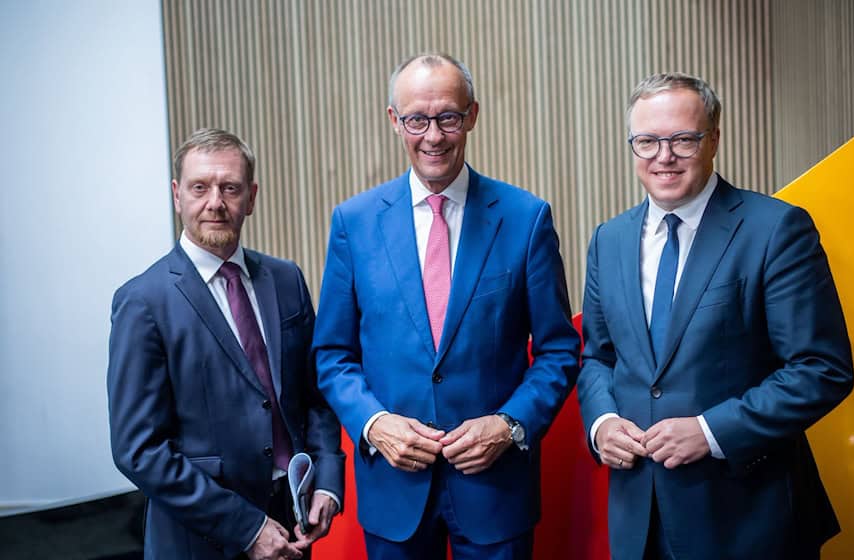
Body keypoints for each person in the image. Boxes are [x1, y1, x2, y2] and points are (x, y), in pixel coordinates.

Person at [312, 53, 580, 560]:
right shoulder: (354, 222)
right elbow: (331, 354)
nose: (432, 136)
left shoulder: (526, 218)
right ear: (395, 121)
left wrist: (509, 424)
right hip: (393, 489)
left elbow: (558, 351)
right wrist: (374, 424)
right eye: (417, 119)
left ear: (472, 116)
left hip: (496, 489)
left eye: (447, 117)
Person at [577, 72, 854, 559]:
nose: (664, 156)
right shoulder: (609, 239)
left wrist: (711, 431)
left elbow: (821, 369)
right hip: (639, 517)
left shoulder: (775, 229)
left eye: (683, 139)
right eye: (647, 141)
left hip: (748, 519)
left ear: (714, 139)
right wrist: (601, 422)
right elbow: (597, 358)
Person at [108, 128, 345, 560]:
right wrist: (247, 527)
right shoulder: (142, 301)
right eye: (200, 187)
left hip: (294, 526)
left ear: (251, 197)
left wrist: (327, 479)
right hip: (201, 538)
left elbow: (315, 395)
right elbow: (138, 450)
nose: (215, 202)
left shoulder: (286, 279)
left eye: (230, 188)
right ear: (177, 195)